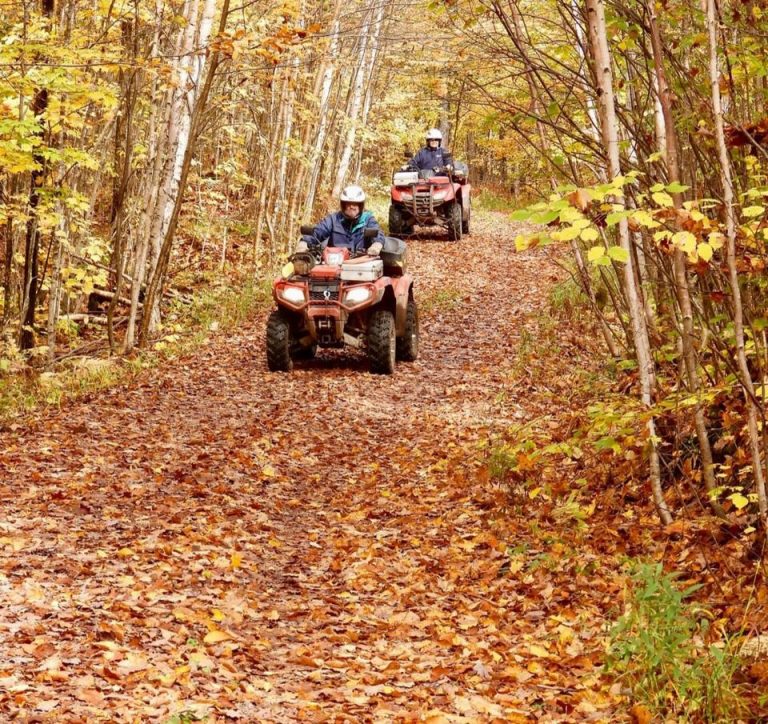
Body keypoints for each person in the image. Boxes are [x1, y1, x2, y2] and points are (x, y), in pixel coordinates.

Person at [297, 185, 384, 255]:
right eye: (348, 204)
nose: (352, 207)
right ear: (343, 205)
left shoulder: (368, 219)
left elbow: (377, 233)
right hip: (333, 262)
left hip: (361, 263)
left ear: (361, 206)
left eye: (355, 204)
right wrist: (304, 242)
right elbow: (318, 231)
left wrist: (377, 244)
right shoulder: (334, 219)